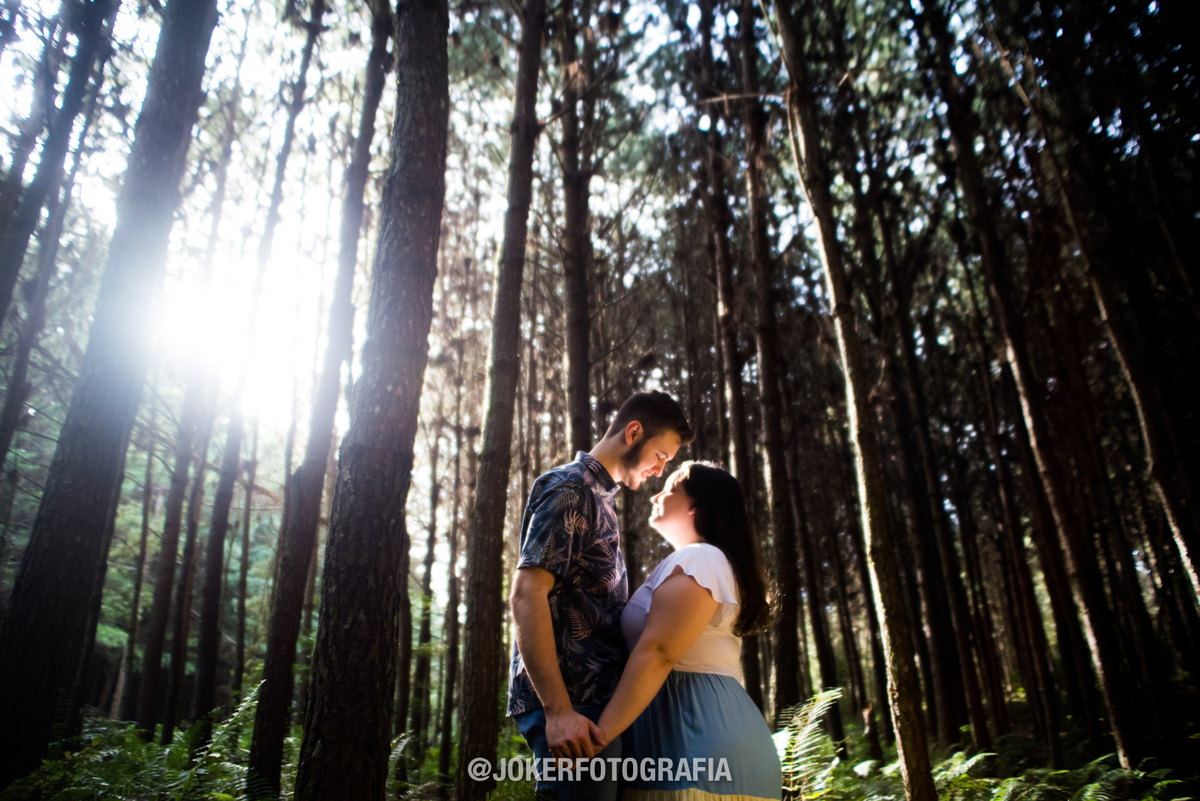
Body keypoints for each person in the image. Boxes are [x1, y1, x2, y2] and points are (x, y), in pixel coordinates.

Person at [508, 391, 695, 800]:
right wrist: (558, 711)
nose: (660, 471)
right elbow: (525, 595)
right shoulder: (572, 488)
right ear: (633, 432)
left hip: (592, 706)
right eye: (661, 456)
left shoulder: (600, 497)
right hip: (572, 705)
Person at [593, 461, 781, 800]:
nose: (655, 497)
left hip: (696, 749)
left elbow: (658, 652)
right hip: (695, 746)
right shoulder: (704, 560)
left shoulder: (700, 559)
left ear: (695, 505)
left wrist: (598, 738)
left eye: (670, 489)